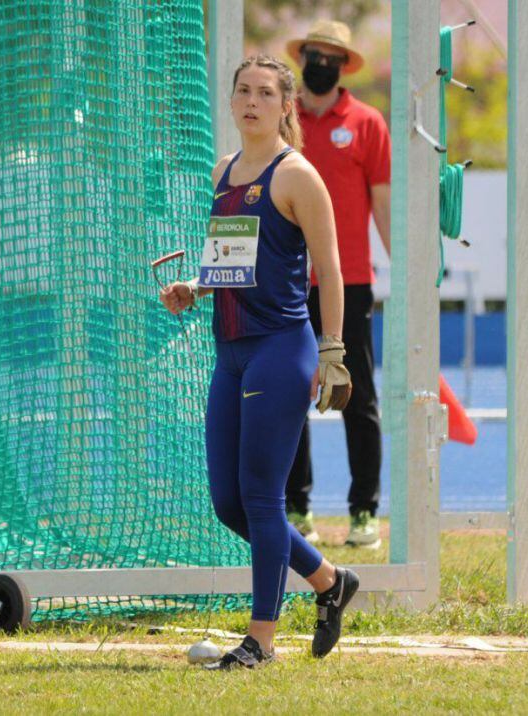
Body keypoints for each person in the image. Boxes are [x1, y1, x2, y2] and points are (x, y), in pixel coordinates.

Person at [159, 55, 359, 671]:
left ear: (284, 106)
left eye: (264, 93)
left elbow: (330, 268)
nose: (251, 101)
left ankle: (262, 641)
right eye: (242, 90)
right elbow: (232, 264)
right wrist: (195, 287)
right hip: (231, 353)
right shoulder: (223, 172)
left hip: (282, 350)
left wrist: (332, 351)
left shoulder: (297, 175)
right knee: (228, 503)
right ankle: (329, 582)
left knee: (263, 497)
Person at [284, 21, 392, 548]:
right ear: (302, 58)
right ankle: (296, 507)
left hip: (350, 282)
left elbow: (385, 205)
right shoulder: (285, 124)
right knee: (288, 394)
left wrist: (411, 271)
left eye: (331, 57)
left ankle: (364, 512)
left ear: (344, 65)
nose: (321, 63)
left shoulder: (368, 124)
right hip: (287, 282)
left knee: (357, 393)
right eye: (313, 54)